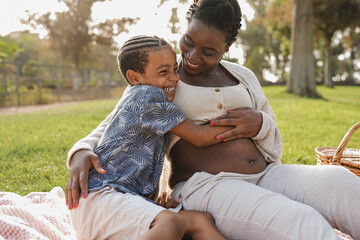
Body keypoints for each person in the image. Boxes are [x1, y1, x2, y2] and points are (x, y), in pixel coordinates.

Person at [66, 0, 360, 239]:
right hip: (204, 186)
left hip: (265, 175)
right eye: (188, 42)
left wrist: (260, 124)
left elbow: (270, 129)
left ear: (227, 47)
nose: (193, 57)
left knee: (341, 182)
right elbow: (117, 122)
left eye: (208, 52)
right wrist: (80, 152)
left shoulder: (243, 76)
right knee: (301, 222)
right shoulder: (162, 78)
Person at [69, 35, 228, 240]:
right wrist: (245, 123)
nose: (174, 78)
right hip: (101, 197)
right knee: (172, 222)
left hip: (117, 201)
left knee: (199, 220)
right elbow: (199, 136)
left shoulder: (135, 93)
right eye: (163, 72)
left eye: (174, 69)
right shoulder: (147, 96)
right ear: (134, 77)